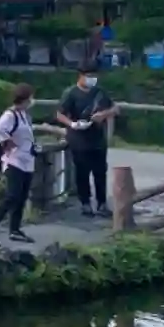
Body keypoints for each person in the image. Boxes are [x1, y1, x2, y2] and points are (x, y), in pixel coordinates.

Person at [56, 64, 118, 218]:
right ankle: (85, 203)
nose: (92, 79)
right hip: (79, 139)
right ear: (81, 76)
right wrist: (72, 124)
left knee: (100, 172)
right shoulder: (70, 93)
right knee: (82, 172)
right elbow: (59, 114)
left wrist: (103, 114)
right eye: (89, 76)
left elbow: (115, 108)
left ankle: (102, 203)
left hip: (98, 139)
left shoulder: (100, 92)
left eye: (94, 76)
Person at [0, 83, 37, 246]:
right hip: (14, 160)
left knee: (21, 196)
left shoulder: (24, 115)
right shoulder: (10, 115)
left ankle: (15, 229)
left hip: (27, 159)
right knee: (12, 196)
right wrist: (7, 142)